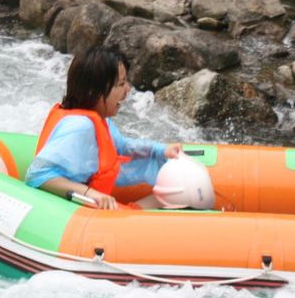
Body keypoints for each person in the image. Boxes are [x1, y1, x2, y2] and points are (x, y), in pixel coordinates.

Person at [26, 47, 182, 210]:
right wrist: (91, 194)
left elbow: (122, 147)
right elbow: (37, 174)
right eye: (121, 84)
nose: (128, 89)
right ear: (93, 91)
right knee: (171, 199)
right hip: (70, 208)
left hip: (89, 200)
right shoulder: (80, 126)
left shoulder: (99, 120)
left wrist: (160, 150)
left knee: (175, 195)